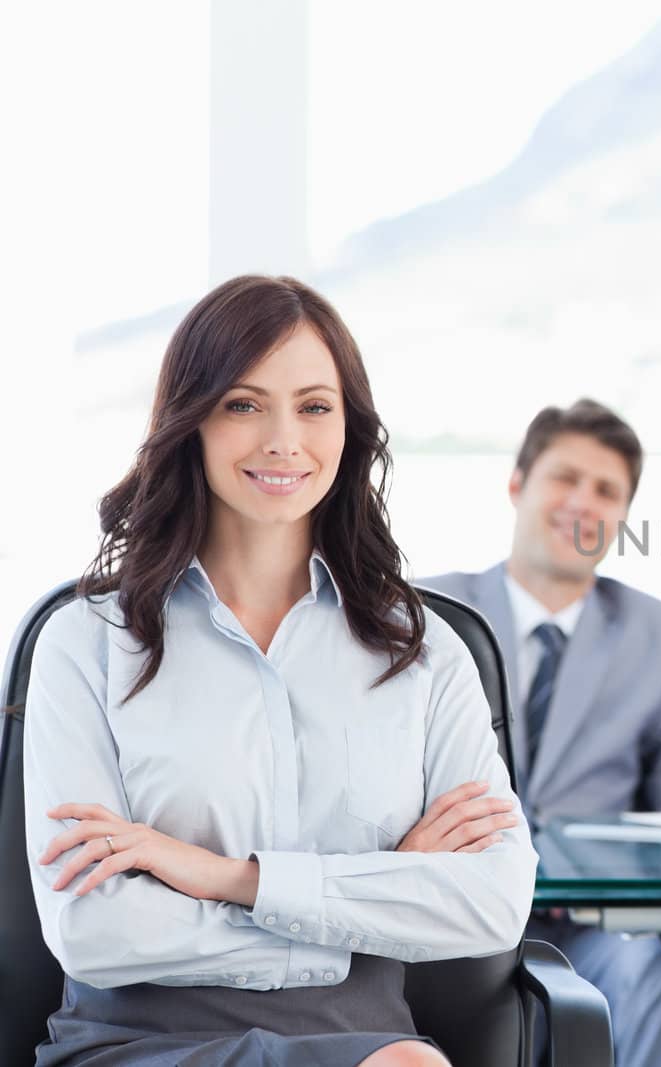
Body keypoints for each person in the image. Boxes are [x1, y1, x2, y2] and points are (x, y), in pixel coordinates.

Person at [24, 275, 537, 1067]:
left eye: (314, 406)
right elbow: (93, 933)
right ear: (189, 420)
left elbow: (492, 906)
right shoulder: (85, 643)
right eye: (242, 404)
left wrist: (225, 876)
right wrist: (369, 894)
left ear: (349, 427)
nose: (282, 440)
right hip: (140, 1046)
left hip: (366, 1043)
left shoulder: (426, 654)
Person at [419, 398, 661, 1067]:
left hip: (589, 927)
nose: (583, 502)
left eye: (607, 490)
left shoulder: (656, 632)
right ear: (517, 484)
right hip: (447, 919)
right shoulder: (428, 612)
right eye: (566, 477)